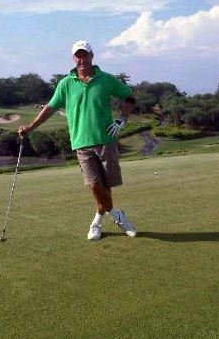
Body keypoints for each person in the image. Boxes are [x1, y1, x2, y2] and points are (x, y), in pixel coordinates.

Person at [18, 40, 137, 240]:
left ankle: (97, 223)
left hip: (106, 140)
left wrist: (121, 120)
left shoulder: (106, 79)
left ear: (92, 56)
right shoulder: (65, 83)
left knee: (105, 186)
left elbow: (129, 98)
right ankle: (118, 215)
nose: (81, 59)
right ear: (74, 58)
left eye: (85, 55)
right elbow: (50, 107)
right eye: (77, 56)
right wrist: (31, 127)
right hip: (81, 143)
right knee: (93, 184)